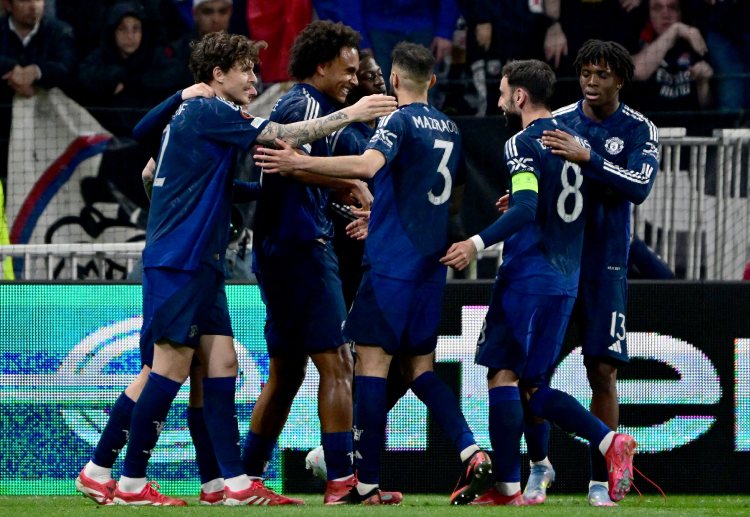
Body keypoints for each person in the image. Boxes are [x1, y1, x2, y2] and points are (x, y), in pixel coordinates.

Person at [83, 31, 394, 506]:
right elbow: (283, 136)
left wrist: (182, 202)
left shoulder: (194, 114)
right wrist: (353, 114)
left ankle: (228, 483)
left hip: (197, 259)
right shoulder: (211, 110)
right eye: (246, 70)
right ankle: (120, 479)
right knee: (165, 369)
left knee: (221, 364)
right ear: (217, 75)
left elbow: (150, 171)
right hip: (183, 259)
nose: (254, 79)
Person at [254, 41, 492, 506]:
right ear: (433, 81)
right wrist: (391, 213)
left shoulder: (397, 121)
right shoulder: (451, 128)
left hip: (389, 267)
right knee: (420, 369)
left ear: (395, 80)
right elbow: (454, 199)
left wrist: (300, 161)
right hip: (430, 267)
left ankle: (365, 483)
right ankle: (472, 451)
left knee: (370, 367)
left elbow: (366, 165)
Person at [439, 59, 637, 506]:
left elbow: (526, 207)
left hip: (527, 275)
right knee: (533, 386)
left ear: (520, 96)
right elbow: (568, 199)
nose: (499, 101)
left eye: (502, 92)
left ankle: (509, 487)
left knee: (502, 375)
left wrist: (474, 242)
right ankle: (608, 441)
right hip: (566, 279)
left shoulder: (522, 142)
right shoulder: (575, 141)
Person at [242, 20, 382, 506]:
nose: (353, 79)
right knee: (338, 362)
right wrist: (348, 183)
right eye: (347, 71)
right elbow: (288, 163)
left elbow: (297, 173)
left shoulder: (309, 106)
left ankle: (247, 477)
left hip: (281, 249)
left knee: (287, 372)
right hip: (301, 249)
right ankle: (341, 480)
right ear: (321, 66)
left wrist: (343, 189)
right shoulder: (304, 106)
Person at [520, 39, 659, 506]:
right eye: (585, 73)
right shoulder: (558, 121)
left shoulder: (639, 129)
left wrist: (590, 159)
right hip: (557, 262)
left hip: (606, 265)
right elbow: (537, 176)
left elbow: (640, 187)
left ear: (620, 79)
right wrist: (522, 200)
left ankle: (601, 479)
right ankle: (539, 467)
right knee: (532, 371)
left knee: (601, 371)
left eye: (602, 74)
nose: (591, 82)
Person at [0, 0, 75, 185]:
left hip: (47, 134)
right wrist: (13, 70)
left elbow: (67, 68)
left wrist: (36, 72)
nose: (34, 6)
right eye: (25, 0)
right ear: (7, 4)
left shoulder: (59, 31)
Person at [76, 1, 176, 136]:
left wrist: (130, 81)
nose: (130, 36)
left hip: (151, 133)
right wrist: (113, 77)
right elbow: (84, 77)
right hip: (109, 134)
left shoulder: (155, 56)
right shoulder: (101, 56)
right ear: (112, 31)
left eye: (135, 29)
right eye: (122, 29)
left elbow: (172, 77)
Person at [632, 0, 713, 112]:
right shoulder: (637, 40)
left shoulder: (696, 41)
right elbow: (638, 72)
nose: (665, 14)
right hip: (651, 121)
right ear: (649, 13)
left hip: (689, 120)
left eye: (673, 7)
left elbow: (706, 107)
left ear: (681, 12)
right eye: (657, 8)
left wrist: (703, 84)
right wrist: (675, 29)